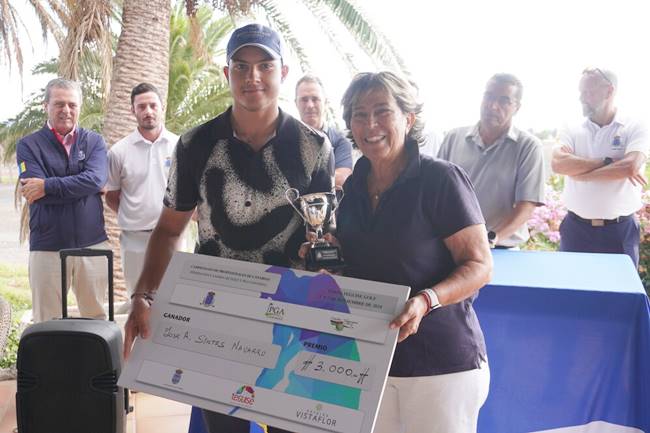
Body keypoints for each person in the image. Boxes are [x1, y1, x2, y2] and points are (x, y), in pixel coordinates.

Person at [123, 23, 333, 433]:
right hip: (216, 311)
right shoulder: (195, 144)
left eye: (264, 66)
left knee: (291, 424)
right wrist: (143, 295)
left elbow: (322, 233)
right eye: (241, 66)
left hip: (288, 313)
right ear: (227, 74)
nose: (253, 77)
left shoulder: (314, 147)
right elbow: (168, 231)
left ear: (283, 73)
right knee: (222, 427)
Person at [310, 71, 492, 433]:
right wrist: (330, 257)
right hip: (371, 361)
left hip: (440, 365)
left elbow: (480, 266)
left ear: (408, 118)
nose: (370, 124)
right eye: (359, 114)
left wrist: (426, 300)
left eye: (382, 111)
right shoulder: (352, 189)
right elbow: (363, 261)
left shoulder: (441, 179)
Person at [16, 78, 109, 322]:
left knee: (96, 319)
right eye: (58, 104)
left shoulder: (94, 142)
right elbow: (33, 191)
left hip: (92, 245)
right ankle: (51, 363)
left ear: (79, 107)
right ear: (45, 106)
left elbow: (96, 180)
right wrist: (80, 186)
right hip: (47, 247)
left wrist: (47, 185)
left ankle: (94, 363)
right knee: (47, 321)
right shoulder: (28, 145)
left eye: (72, 104)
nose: (66, 110)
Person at [551, 68, 648, 267]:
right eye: (580, 92)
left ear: (609, 91)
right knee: (571, 292)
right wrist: (608, 162)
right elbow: (559, 164)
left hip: (620, 231)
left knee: (620, 294)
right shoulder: (571, 126)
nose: (581, 98)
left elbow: (630, 166)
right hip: (575, 230)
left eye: (588, 92)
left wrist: (582, 175)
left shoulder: (635, 125)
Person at [438, 73, 545, 248]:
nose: (492, 106)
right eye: (488, 96)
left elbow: (526, 205)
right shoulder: (453, 138)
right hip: (452, 246)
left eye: (504, 101)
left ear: (517, 107)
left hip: (501, 249)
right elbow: (436, 191)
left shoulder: (528, 146)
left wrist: (491, 239)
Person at [105, 83, 179, 313]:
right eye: (142, 106)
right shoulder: (119, 151)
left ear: (161, 107)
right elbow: (112, 195)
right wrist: (134, 215)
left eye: (153, 105)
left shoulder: (179, 146)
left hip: (173, 239)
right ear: (133, 111)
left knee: (173, 302)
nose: (148, 111)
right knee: (139, 302)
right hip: (134, 239)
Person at [295, 74, 353, 189]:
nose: (310, 105)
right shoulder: (284, 138)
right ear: (296, 103)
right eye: (304, 100)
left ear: (325, 102)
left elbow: (341, 179)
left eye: (315, 99)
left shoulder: (340, 141)